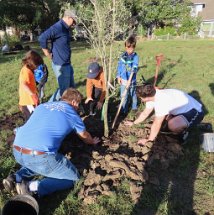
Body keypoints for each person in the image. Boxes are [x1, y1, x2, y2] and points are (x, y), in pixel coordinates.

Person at [3, 88, 100, 197]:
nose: (78, 108)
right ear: (74, 102)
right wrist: (92, 141)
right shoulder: (72, 113)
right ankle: (31, 187)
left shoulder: (42, 106)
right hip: (39, 156)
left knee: (37, 164)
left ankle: (15, 178)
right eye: (78, 105)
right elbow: (84, 136)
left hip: (17, 150)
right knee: (73, 178)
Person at [125, 84, 204, 145]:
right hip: (180, 110)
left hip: (195, 112)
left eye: (141, 98)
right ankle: (187, 123)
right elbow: (145, 113)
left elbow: (157, 123)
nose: (141, 100)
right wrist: (134, 123)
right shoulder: (153, 95)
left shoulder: (161, 101)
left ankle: (184, 134)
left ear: (147, 97)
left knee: (172, 125)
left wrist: (149, 140)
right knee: (165, 120)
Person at [38, 9, 77, 102]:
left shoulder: (65, 28)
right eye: (74, 20)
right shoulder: (58, 27)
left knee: (71, 88)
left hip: (67, 64)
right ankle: (49, 107)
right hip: (61, 65)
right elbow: (42, 38)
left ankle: (73, 106)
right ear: (68, 17)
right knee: (65, 92)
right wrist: (47, 52)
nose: (75, 23)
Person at [116, 35, 139, 114]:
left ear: (134, 47)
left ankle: (134, 106)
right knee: (123, 96)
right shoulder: (123, 56)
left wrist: (130, 80)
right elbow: (119, 66)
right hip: (123, 79)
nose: (129, 50)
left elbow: (134, 69)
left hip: (131, 80)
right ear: (125, 47)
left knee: (133, 93)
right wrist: (118, 76)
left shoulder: (135, 57)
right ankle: (124, 110)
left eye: (131, 48)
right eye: (127, 48)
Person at [18, 50, 41, 121]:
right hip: (28, 101)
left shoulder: (28, 69)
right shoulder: (26, 71)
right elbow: (23, 84)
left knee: (35, 118)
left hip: (30, 101)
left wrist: (36, 92)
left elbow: (29, 84)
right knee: (31, 120)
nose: (37, 67)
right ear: (32, 63)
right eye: (37, 65)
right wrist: (33, 95)